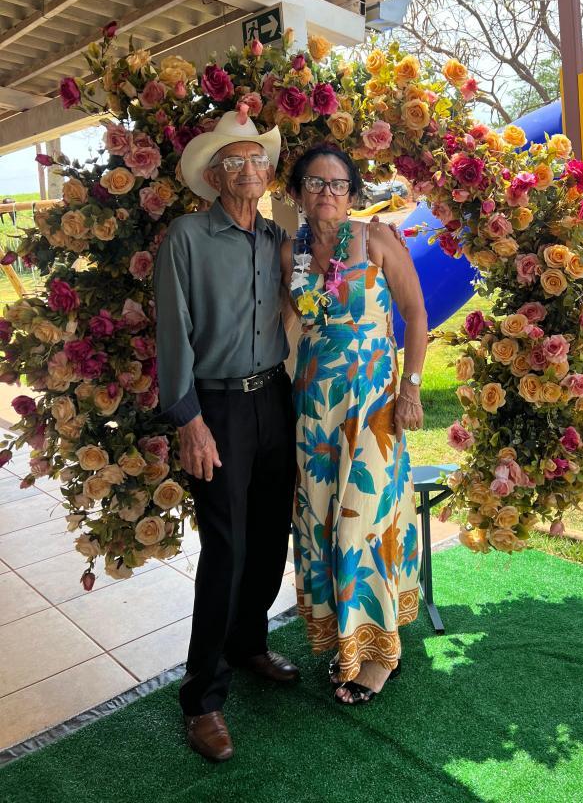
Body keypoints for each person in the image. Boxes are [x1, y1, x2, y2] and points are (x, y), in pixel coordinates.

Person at [154, 109, 299, 762]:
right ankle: (203, 699)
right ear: (213, 176)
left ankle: (248, 645)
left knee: (269, 537)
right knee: (226, 548)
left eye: (256, 159)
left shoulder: (277, 238)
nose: (247, 169)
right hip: (216, 409)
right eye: (233, 161)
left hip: (275, 398)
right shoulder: (186, 237)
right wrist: (190, 421)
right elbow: (173, 333)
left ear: (268, 171)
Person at [282, 144, 428, 705]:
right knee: (323, 520)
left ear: (353, 193)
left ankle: (380, 654)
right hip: (314, 407)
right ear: (298, 192)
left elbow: (415, 313)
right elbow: (285, 323)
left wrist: (411, 388)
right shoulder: (291, 253)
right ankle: (347, 641)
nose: (328, 193)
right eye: (316, 183)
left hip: (372, 404)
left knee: (364, 520)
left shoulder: (377, 239)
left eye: (338, 184)